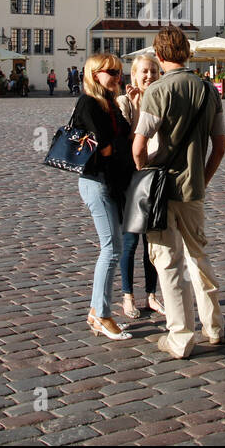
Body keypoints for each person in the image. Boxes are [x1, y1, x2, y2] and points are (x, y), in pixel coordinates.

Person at [133, 26, 225, 360]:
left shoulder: (157, 91)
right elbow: (219, 147)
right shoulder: (207, 89)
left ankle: (181, 336)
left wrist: (144, 177)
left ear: (159, 56)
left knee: (167, 262)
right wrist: (203, 178)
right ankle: (213, 327)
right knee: (199, 256)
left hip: (160, 189)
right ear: (187, 53)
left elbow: (139, 145)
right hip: (193, 188)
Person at [72, 53, 136, 340]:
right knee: (111, 249)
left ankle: (96, 310)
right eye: (111, 72)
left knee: (113, 247)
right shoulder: (88, 102)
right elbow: (105, 146)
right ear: (95, 74)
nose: (117, 77)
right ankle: (102, 314)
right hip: (96, 181)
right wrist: (116, 145)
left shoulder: (110, 103)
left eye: (119, 72)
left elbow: (126, 136)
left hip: (112, 181)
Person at [116, 55, 164, 319]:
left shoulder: (160, 100)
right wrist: (136, 108)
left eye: (154, 71)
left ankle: (152, 295)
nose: (149, 76)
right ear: (133, 75)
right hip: (132, 178)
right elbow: (127, 144)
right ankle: (127, 296)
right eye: (144, 71)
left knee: (153, 241)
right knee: (131, 240)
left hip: (155, 175)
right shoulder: (124, 102)